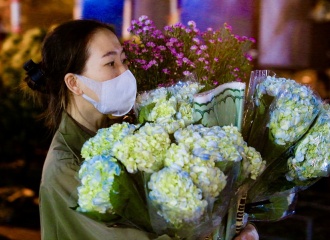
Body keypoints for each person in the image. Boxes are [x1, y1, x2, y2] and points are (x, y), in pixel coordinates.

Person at [23, 19, 259, 240]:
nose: (125, 73)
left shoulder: (127, 132)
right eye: (110, 63)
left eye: (124, 60)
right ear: (74, 83)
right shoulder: (66, 167)